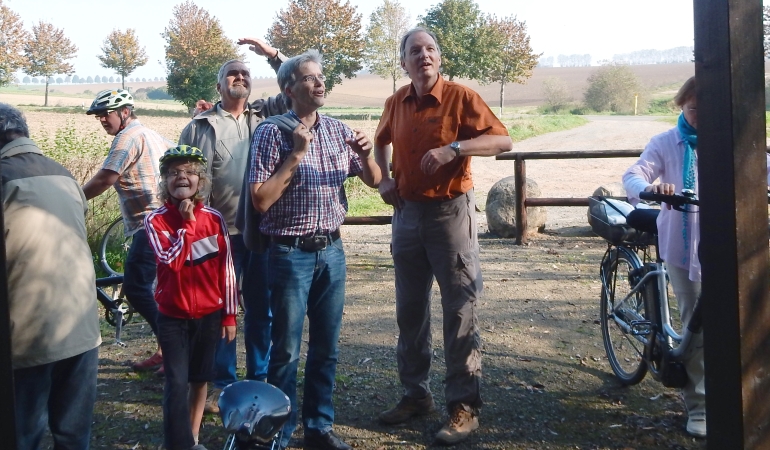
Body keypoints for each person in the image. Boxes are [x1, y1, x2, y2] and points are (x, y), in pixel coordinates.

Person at [373, 27, 513, 446]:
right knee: (410, 311)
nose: (423, 56)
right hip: (407, 215)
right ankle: (416, 396)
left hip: (450, 213)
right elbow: (379, 144)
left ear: (440, 58)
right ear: (404, 62)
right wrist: (382, 181)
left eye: (430, 49)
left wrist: (456, 148)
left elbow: (502, 139)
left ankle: (464, 407)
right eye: (414, 51)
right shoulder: (395, 102)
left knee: (459, 310)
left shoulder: (460, 97)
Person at [249, 49, 380, 450]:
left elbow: (374, 182)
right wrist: (296, 155)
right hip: (289, 255)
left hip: (332, 253)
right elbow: (260, 200)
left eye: (321, 76)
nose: (319, 82)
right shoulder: (272, 132)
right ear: (289, 88)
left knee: (327, 346)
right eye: (309, 78)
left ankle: (319, 428)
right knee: (286, 349)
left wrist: (366, 154)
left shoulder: (339, 128)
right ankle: (280, 432)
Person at [178, 37, 288, 414]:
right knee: (216, 309)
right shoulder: (200, 125)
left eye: (244, 73)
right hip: (217, 234)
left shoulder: (267, 115)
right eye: (231, 74)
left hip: (261, 232)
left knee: (261, 307)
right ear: (219, 86)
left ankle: (258, 378)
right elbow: (181, 174)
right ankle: (221, 381)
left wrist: (272, 55)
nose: (239, 77)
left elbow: (295, 83)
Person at [0, 103, 101, 449]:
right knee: (73, 436)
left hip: (27, 334)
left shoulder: (3, 177)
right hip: (82, 326)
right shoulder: (63, 174)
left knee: (20, 435)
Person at [144, 145, 238, 450]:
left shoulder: (213, 218)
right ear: (164, 181)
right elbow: (170, 261)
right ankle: (177, 444)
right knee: (176, 383)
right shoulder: (156, 221)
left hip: (209, 315)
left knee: (199, 379)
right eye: (173, 173)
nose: (181, 177)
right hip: (173, 316)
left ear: (201, 181)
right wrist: (186, 225)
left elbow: (226, 268)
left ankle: (192, 438)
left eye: (189, 172)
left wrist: (229, 315)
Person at [82, 89, 174, 373]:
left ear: (124, 112)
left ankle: (175, 350)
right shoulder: (152, 134)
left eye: (105, 114)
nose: (102, 121)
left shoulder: (128, 136)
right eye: (98, 117)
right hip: (164, 222)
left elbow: (106, 178)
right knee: (158, 292)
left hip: (150, 224)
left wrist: (72, 197)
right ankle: (167, 351)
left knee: (135, 288)